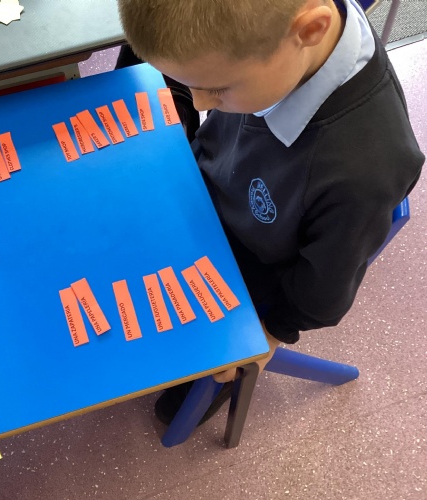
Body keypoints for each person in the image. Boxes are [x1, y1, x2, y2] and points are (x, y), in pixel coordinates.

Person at [116, 0, 425, 425]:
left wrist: (271, 332)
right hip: (206, 181)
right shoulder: (273, 42)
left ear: (311, 30)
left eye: (218, 89)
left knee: (173, 406)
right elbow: (174, 68)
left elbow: (322, 292)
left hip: (255, 264)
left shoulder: (362, 171)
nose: (203, 101)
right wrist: (180, 110)